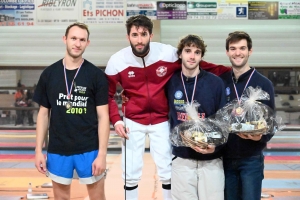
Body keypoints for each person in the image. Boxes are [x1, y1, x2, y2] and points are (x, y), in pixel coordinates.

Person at [105, 14, 230, 200]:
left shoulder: (167, 53)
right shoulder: (117, 61)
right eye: (135, 35)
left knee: (166, 170)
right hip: (132, 120)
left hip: (162, 120)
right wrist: (116, 121)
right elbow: (107, 95)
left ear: (151, 35)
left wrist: (235, 72)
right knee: (130, 173)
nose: (139, 40)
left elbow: (198, 63)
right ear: (128, 37)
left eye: (144, 34)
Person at [33, 22, 110, 199]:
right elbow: (43, 115)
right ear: (65, 39)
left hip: (89, 149)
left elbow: (103, 116)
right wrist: (38, 150)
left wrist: (102, 154)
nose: (77, 43)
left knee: (98, 197)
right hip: (58, 149)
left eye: (82, 40)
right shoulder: (49, 74)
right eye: (73, 38)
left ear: (87, 43)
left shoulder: (96, 76)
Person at [167, 34, 226, 200]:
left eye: (197, 52)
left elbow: (222, 122)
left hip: (211, 160)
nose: (192, 56)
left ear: (201, 56)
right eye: (188, 51)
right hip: (182, 158)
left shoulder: (215, 83)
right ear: (180, 54)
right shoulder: (170, 82)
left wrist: (216, 148)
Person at [219, 31, 275, 200]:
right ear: (227, 52)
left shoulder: (264, 84)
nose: (238, 53)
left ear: (250, 50)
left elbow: (270, 123)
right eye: (233, 48)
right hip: (225, 159)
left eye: (242, 48)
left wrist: (260, 137)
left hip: (251, 160)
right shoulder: (220, 81)